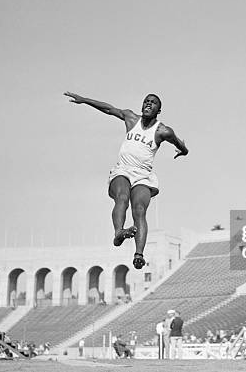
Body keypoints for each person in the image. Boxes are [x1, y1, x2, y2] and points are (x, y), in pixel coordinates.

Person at [64, 92, 189, 269]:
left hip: (143, 175)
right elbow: (108, 109)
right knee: (122, 197)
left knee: (139, 209)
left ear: (158, 110)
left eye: (153, 103)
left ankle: (138, 254)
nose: (148, 104)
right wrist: (84, 100)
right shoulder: (131, 118)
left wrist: (183, 150)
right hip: (122, 170)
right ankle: (119, 232)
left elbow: (179, 143)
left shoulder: (163, 131)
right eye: (146, 101)